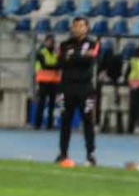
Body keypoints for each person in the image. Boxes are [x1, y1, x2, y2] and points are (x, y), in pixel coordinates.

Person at [56, 17, 101, 166]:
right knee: (65, 122)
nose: (77, 28)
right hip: (66, 88)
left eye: (81, 26)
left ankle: (90, 154)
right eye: (75, 26)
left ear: (86, 28)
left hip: (85, 89)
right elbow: (61, 62)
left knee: (88, 121)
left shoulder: (93, 44)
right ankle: (63, 154)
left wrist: (72, 57)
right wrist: (79, 56)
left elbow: (89, 61)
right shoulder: (64, 44)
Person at [33, 35, 61, 130]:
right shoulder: (41, 53)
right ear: (45, 42)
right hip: (43, 81)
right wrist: (54, 66)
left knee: (52, 104)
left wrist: (54, 66)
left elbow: (59, 65)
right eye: (48, 41)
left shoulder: (56, 53)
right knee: (41, 103)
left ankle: (49, 125)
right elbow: (45, 66)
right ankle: (38, 124)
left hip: (54, 81)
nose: (50, 43)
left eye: (51, 42)